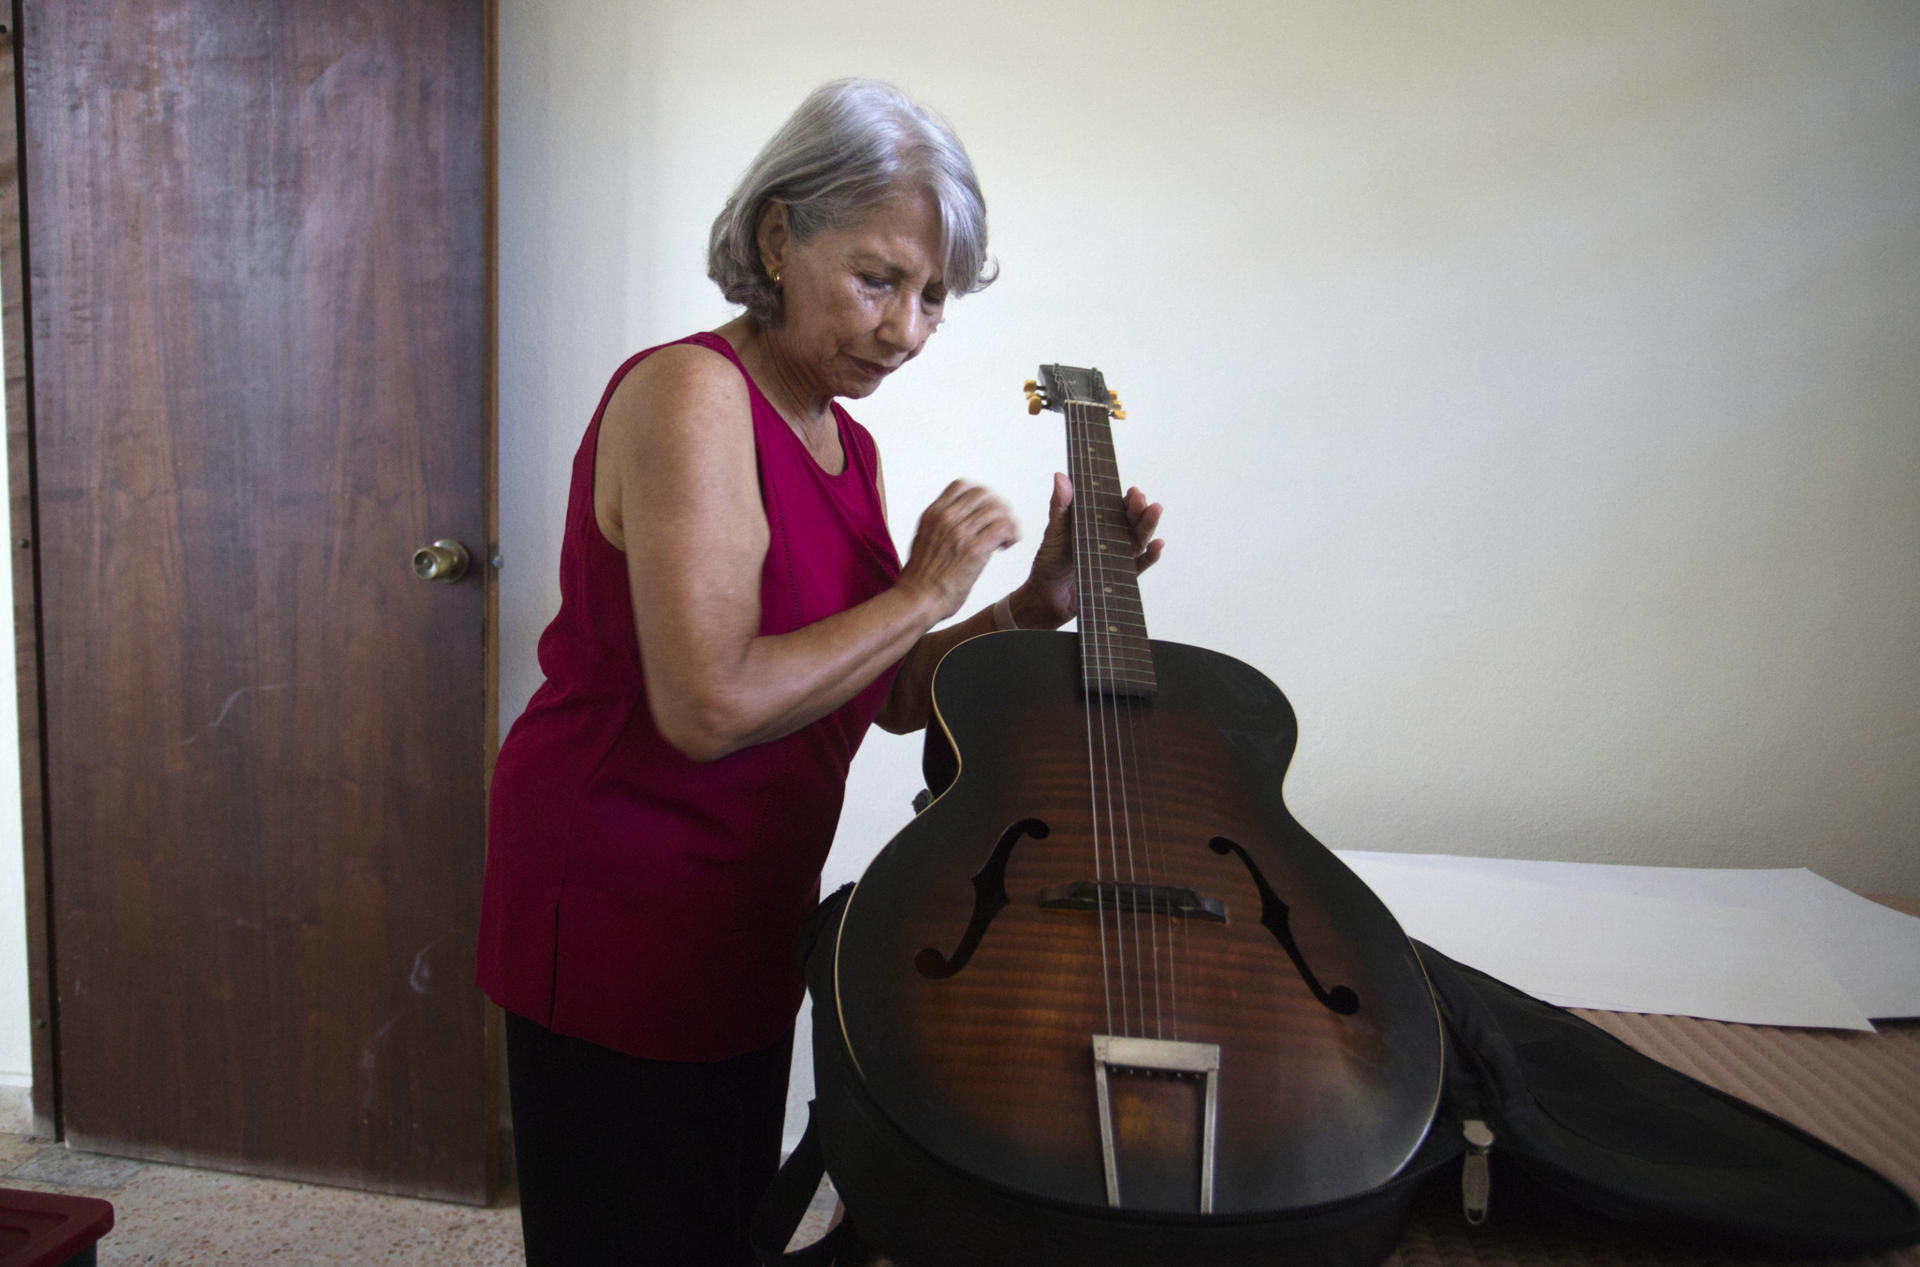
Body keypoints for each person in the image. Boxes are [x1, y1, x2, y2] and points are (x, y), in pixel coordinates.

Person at [475, 78, 1164, 1265]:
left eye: (935, 297)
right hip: (618, 894)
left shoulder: (850, 443)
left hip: (746, 899)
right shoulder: (688, 392)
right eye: (881, 277)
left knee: (722, 1216)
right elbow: (711, 703)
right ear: (779, 237)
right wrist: (922, 590)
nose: (905, 328)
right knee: (632, 1228)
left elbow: (883, 691)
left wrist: (1026, 605)